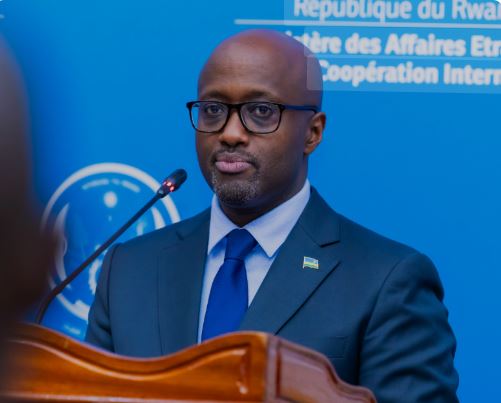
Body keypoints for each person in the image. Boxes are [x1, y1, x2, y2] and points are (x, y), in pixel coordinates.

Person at [86, 29, 458, 402]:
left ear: (312, 133)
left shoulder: (387, 280)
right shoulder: (130, 269)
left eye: (261, 112)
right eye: (213, 110)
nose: (230, 133)